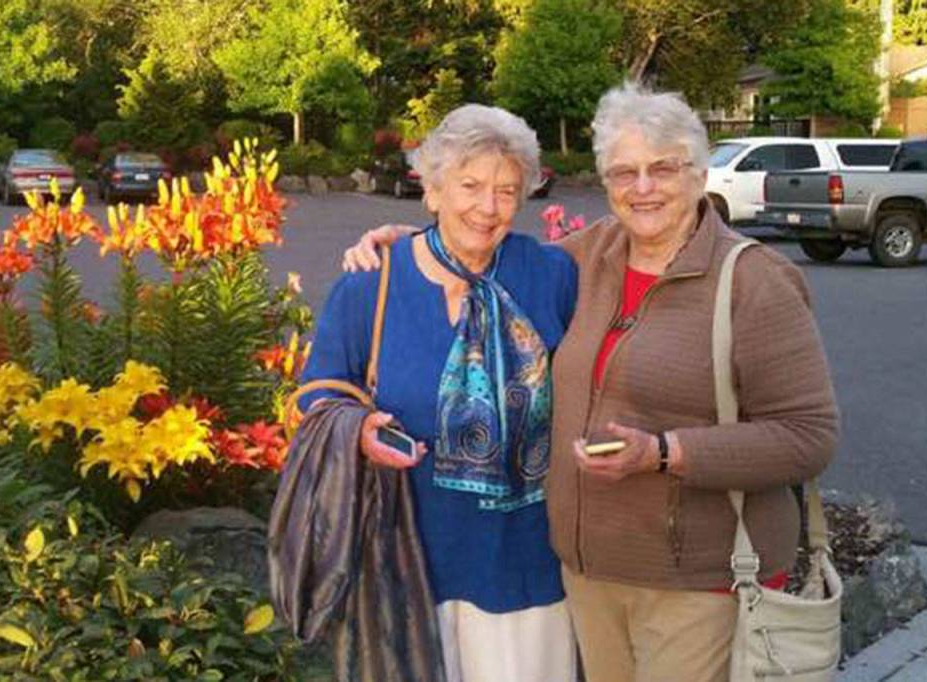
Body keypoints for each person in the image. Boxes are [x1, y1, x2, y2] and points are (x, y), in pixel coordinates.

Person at [343, 82, 839, 682]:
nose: (643, 187)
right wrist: (407, 244)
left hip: (699, 582)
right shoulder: (585, 257)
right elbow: (478, 244)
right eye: (623, 172)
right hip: (588, 575)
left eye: (663, 168)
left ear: (699, 173)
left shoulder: (756, 281)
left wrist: (667, 452)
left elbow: (808, 437)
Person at [300, 104, 579, 682]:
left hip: (526, 566)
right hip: (407, 560)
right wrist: (359, 431)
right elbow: (319, 392)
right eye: (470, 186)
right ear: (431, 190)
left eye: (506, 191)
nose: (487, 207)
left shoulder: (551, 274)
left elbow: (643, 235)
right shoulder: (372, 282)